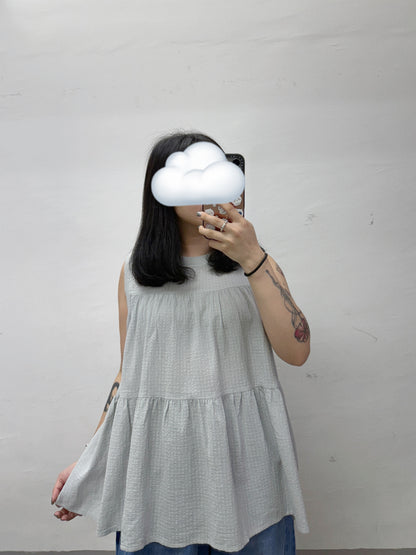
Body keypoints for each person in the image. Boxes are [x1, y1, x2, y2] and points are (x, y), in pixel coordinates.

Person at [51, 131, 311, 554]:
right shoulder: (135, 276)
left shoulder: (257, 267)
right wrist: (88, 461)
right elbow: (128, 376)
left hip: (249, 465)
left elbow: (297, 352)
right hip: (159, 471)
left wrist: (253, 259)